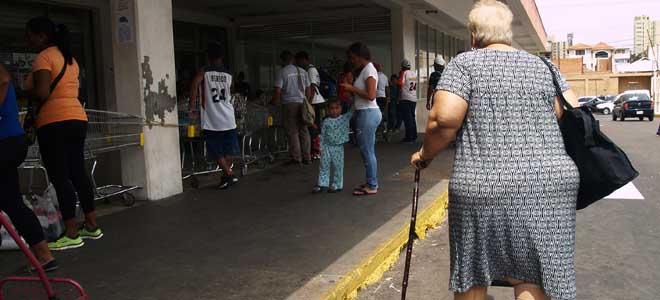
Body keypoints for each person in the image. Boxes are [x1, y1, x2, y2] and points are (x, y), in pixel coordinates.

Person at [410, 1, 580, 300]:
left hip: (483, 183)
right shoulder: (543, 66)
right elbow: (571, 112)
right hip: (548, 185)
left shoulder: (465, 65)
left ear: (474, 36)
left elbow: (443, 120)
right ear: (509, 33)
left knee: (473, 271)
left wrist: (424, 156)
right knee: (532, 275)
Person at [25, 17, 101, 251]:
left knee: (60, 176)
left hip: (54, 121)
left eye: (30, 35)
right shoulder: (70, 59)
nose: (27, 40)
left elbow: (42, 91)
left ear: (42, 36)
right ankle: (91, 225)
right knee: (77, 171)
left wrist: (21, 93)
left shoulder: (44, 57)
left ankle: (70, 232)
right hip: (77, 117)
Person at [0, 64, 58, 272]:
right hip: (11, 141)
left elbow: (4, 78)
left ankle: (44, 256)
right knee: (11, 202)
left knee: (11, 202)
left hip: (5, 141)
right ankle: (44, 256)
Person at [190, 42, 239, 190]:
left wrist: (191, 106)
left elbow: (194, 85)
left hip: (212, 119)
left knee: (215, 150)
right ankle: (226, 177)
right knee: (227, 150)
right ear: (221, 57)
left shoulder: (204, 72)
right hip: (229, 117)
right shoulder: (229, 74)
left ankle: (229, 174)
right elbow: (231, 91)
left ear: (208, 57)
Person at [341, 42, 381, 196]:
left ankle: (372, 184)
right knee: (367, 150)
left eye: (352, 57)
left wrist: (351, 88)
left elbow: (371, 96)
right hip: (366, 112)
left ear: (360, 56)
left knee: (367, 151)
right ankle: (370, 181)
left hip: (368, 113)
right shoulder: (366, 70)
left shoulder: (369, 70)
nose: (351, 60)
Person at [272, 50, 312, 165]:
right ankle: (307, 157)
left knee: (293, 131)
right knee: (304, 130)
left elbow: (278, 91)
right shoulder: (303, 72)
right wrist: (307, 102)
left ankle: (296, 158)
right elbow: (308, 90)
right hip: (302, 103)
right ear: (293, 59)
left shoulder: (282, 72)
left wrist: (276, 102)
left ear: (282, 60)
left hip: (289, 105)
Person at [312, 100, 352, 194]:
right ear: (328, 110)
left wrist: (353, 97)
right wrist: (320, 148)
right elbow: (323, 135)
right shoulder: (326, 121)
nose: (334, 111)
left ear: (341, 109)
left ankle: (337, 184)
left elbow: (353, 110)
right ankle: (322, 183)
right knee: (323, 165)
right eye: (331, 108)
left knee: (338, 166)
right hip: (326, 146)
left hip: (338, 147)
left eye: (336, 108)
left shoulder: (344, 118)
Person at [296, 51, 325, 160]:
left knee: (314, 128)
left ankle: (316, 151)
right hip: (315, 102)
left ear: (304, 59)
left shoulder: (311, 70)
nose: (298, 63)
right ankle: (315, 150)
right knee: (313, 127)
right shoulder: (309, 70)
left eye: (299, 61)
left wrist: (309, 104)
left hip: (315, 102)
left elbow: (312, 87)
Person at [397, 58, 418, 143]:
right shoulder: (414, 74)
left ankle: (409, 137)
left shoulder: (403, 73)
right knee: (412, 118)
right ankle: (414, 135)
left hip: (405, 98)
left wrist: (398, 97)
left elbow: (400, 84)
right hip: (413, 98)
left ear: (403, 66)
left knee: (407, 118)